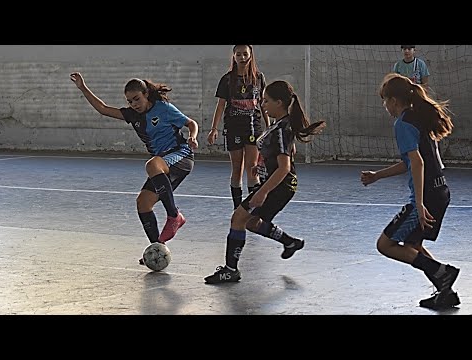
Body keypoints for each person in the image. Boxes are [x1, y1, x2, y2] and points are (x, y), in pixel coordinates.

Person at [204, 80, 326, 284]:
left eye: (267, 101)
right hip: (277, 182)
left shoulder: (281, 129)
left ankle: (230, 270)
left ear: (279, 102)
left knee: (238, 219)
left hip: (280, 185)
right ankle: (290, 242)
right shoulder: (280, 124)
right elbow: (285, 152)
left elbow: (284, 166)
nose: (263, 104)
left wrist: (262, 192)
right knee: (251, 223)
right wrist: (260, 165)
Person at [70, 72, 199, 263]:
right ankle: (158, 249)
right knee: (143, 204)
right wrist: (82, 87)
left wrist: (193, 136)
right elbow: (103, 109)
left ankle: (174, 216)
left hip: (181, 155)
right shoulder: (132, 115)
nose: (134, 104)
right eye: (130, 101)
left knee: (152, 163)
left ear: (146, 95)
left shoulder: (163, 108)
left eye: (137, 99)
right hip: (163, 165)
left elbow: (190, 123)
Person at [360, 73, 460, 310]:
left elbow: (417, 163)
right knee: (413, 245)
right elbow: (411, 161)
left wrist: (418, 202)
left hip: (428, 195)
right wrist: (377, 176)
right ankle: (446, 292)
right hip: (441, 190)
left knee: (385, 245)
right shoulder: (418, 118)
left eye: (385, 101)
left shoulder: (403, 123)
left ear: (394, 100)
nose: (385, 106)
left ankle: (441, 271)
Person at [207, 45, 270, 210]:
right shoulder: (227, 79)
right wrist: (214, 129)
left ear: (251, 55)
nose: (242, 58)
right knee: (237, 169)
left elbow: (264, 104)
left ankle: (252, 208)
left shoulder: (259, 77)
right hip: (233, 128)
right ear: (234, 56)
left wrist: (269, 126)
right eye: (239, 54)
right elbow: (220, 106)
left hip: (253, 128)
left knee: (252, 168)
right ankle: (237, 209)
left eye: (245, 54)